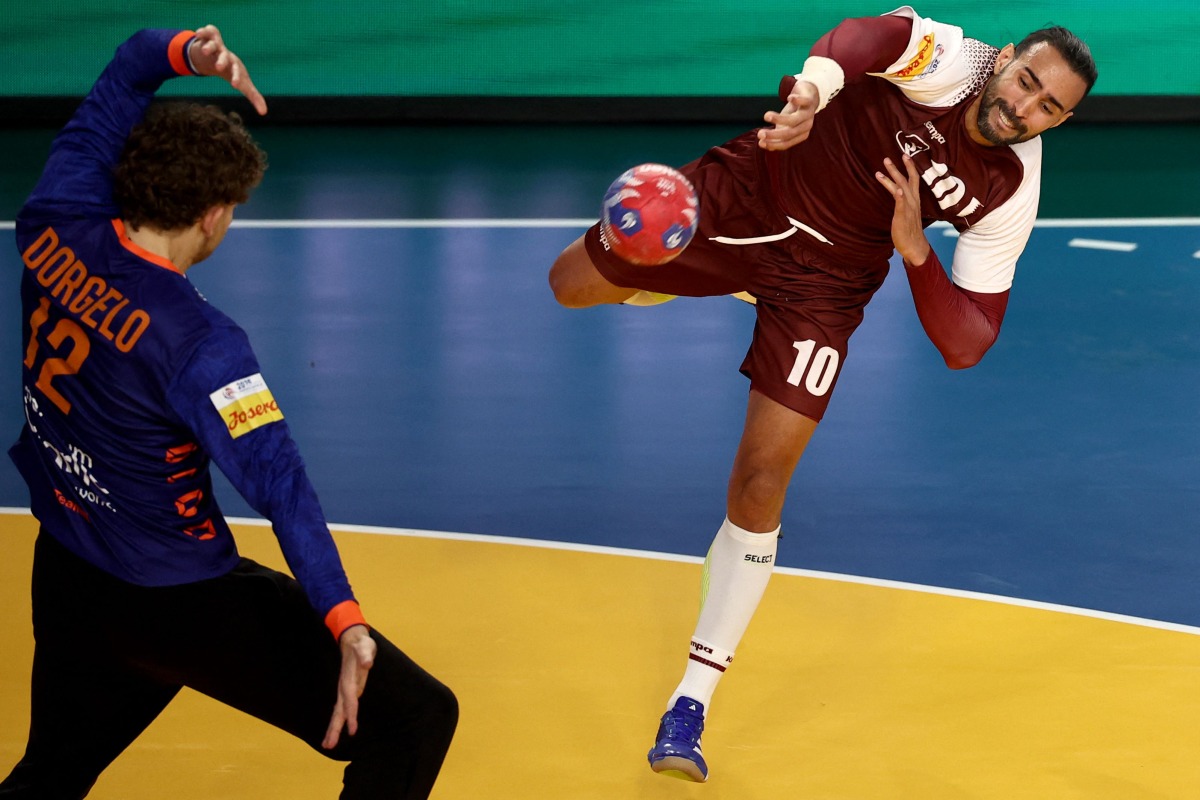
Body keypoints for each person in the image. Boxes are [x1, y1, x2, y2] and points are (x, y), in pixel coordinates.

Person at [549, 5, 1097, 784]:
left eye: (1050, 107)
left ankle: (691, 703)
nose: (1025, 105)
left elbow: (967, 342)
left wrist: (915, 254)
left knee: (763, 480)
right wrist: (812, 91)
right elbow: (862, 38)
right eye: (1026, 80)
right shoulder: (951, 61)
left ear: (1063, 121)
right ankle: (669, 284)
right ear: (1004, 59)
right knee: (569, 285)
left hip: (825, 288)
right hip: (750, 192)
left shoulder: (1011, 187)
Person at [2, 25, 457, 799]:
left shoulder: (55, 219)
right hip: (180, 602)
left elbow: (124, 72)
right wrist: (344, 618)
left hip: (72, 569)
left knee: (51, 772)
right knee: (416, 718)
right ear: (213, 215)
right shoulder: (202, 344)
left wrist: (184, 50)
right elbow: (278, 482)